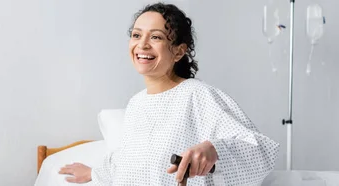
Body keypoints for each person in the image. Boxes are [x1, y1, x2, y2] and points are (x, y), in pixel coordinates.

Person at [59, 2, 279, 185]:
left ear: (178, 51)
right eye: (136, 35)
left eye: (155, 37)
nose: (142, 45)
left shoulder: (197, 95)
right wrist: (93, 173)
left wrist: (214, 150)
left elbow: (261, 150)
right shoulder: (136, 104)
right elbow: (129, 162)